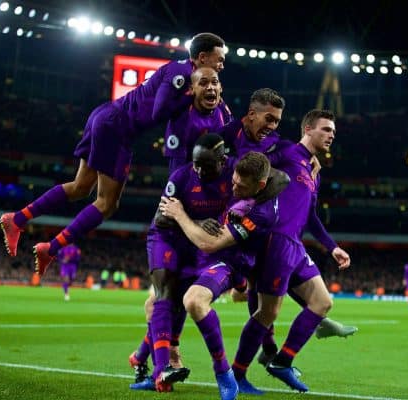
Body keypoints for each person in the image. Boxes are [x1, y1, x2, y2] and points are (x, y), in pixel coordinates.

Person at [0, 32, 226, 276]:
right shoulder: (181, 75)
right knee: (107, 204)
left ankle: (18, 219)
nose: (222, 65)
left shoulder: (181, 71)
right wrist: (188, 99)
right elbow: (158, 112)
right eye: (219, 59)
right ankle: (50, 249)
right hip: (117, 128)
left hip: (106, 115)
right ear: (202, 58)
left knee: (80, 187)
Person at [230, 109, 351, 393]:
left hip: (295, 244)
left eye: (333, 131)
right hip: (274, 239)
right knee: (267, 312)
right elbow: (252, 165)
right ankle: (237, 375)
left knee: (322, 303)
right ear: (308, 128)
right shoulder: (285, 151)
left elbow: (310, 216)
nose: (331, 134)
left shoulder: (313, 172)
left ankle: (282, 362)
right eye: (325, 129)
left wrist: (332, 247)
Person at [159, 151, 283, 400]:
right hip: (200, 257)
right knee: (155, 302)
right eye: (234, 181)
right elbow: (282, 177)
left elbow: (209, 244)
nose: (233, 186)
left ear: (259, 186)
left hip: (227, 262)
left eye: (240, 185)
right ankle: (144, 365)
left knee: (193, 301)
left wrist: (178, 213)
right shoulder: (250, 179)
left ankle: (224, 374)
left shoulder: (260, 214)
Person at [130, 133, 235, 392]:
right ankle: (161, 371)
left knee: (178, 303)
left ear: (223, 160)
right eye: (196, 163)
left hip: (196, 243)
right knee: (163, 295)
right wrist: (197, 222)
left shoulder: (235, 172)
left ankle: (139, 357)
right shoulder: (181, 177)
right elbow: (162, 217)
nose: (198, 169)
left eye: (206, 165)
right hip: (167, 237)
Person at [163, 67, 232, 173]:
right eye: (203, 83)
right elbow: (177, 171)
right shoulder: (181, 117)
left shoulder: (224, 111)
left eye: (214, 82)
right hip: (190, 176)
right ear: (192, 89)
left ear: (221, 87)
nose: (210, 87)